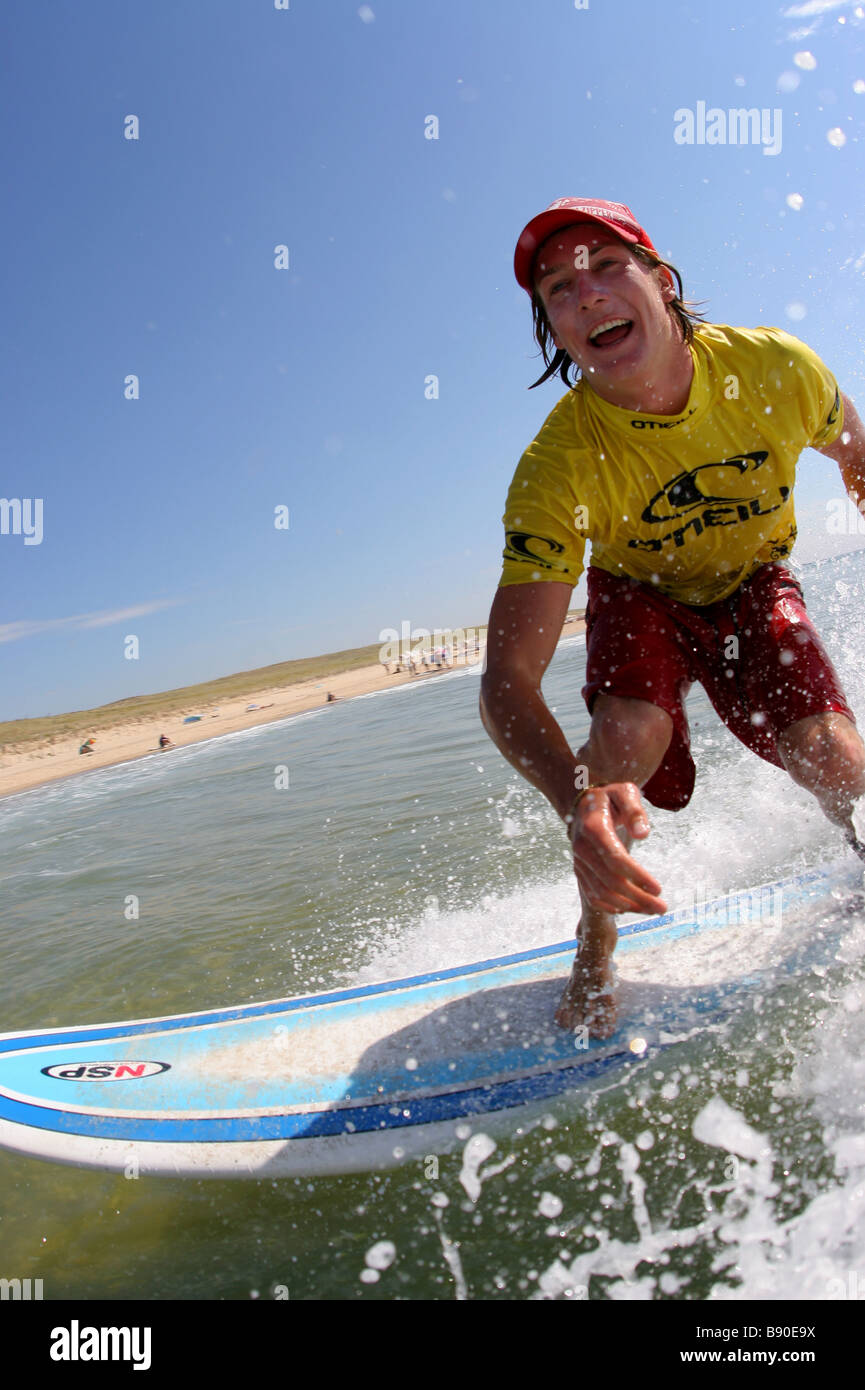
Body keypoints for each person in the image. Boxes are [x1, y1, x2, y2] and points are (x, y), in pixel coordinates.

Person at [479, 196, 865, 1041]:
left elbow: (856, 453)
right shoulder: (556, 466)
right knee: (619, 752)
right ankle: (596, 947)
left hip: (754, 580)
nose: (583, 295)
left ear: (660, 281)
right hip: (638, 592)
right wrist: (573, 797)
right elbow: (505, 681)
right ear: (554, 328)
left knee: (833, 758)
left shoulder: (775, 371)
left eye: (605, 267)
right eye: (555, 291)